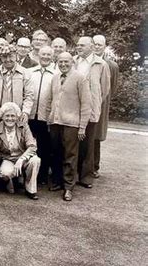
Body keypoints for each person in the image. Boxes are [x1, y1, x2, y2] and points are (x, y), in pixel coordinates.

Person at [46, 52, 91, 201]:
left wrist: (82, 127)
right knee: (56, 153)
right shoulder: (55, 78)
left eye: (66, 62)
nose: (63, 64)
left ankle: (68, 187)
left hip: (71, 124)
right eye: (60, 62)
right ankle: (58, 182)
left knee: (70, 156)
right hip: (55, 123)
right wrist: (49, 119)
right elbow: (49, 100)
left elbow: (86, 104)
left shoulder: (80, 78)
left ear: (72, 62)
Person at [74, 36, 110, 188]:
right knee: (72, 144)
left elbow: (105, 89)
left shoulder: (101, 64)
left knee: (88, 145)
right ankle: (71, 175)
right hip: (73, 109)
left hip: (91, 111)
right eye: (77, 45)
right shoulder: (73, 61)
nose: (79, 47)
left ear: (90, 47)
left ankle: (86, 177)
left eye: (82, 45)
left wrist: (93, 104)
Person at [0, 102, 40, 200]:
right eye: (7, 116)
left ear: (17, 117)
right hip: (8, 158)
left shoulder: (24, 127)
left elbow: (32, 146)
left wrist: (21, 159)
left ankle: (30, 189)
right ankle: (13, 179)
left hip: (23, 157)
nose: (10, 118)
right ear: (2, 117)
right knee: (4, 173)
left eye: (13, 116)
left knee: (36, 160)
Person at [0, 45, 34, 126]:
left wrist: (25, 112)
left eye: (11, 56)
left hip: (17, 118)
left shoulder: (25, 74)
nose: (8, 60)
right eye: (4, 57)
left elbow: (29, 96)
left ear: (16, 56)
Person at [28, 46, 56, 184]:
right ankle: (27, 174)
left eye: (48, 55)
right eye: (43, 54)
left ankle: (42, 176)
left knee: (45, 146)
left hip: (47, 116)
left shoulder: (56, 74)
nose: (45, 57)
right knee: (30, 144)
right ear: (38, 55)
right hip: (30, 115)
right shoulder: (30, 72)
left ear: (52, 56)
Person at [92, 35, 119, 178]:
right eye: (94, 44)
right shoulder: (86, 61)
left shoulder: (112, 65)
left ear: (104, 46)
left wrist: (102, 99)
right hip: (85, 103)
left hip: (101, 104)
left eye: (99, 44)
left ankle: (94, 167)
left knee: (96, 136)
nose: (97, 47)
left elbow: (112, 88)